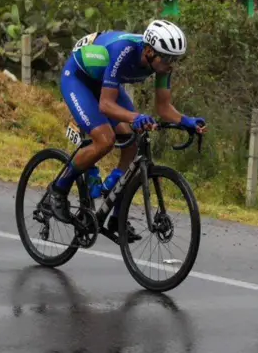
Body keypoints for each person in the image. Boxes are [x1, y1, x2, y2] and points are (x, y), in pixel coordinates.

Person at [44, 20, 206, 243]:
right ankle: (58, 190)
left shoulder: (161, 64)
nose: (171, 65)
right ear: (149, 51)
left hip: (103, 82)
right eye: (168, 59)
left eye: (175, 59)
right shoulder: (124, 51)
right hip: (79, 79)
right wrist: (135, 117)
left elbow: (164, 107)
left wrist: (186, 121)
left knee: (133, 141)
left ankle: (117, 218)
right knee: (105, 140)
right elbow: (106, 105)